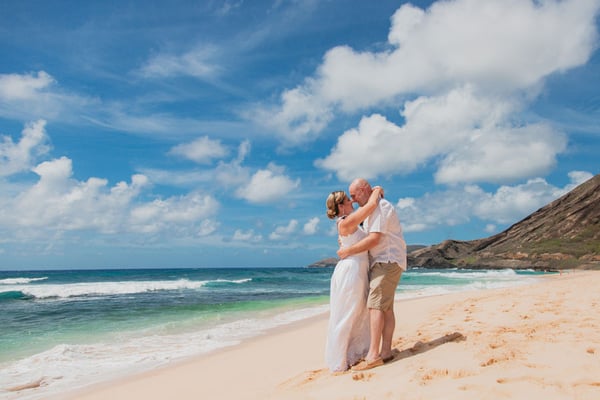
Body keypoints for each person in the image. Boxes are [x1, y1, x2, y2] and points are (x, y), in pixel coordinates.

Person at [337, 178, 407, 371]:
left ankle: (374, 355)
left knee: (375, 305)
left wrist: (347, 251)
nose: (352, 200)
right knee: (385, 308)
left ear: (364, 189)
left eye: (354, 195)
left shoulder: (380, 207)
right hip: (383, 261)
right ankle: (385, 351)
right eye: (349, 197)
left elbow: (375, 239)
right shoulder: (370, 208)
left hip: (387, 260)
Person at [325, 186, 384, 372]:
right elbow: (372, 205)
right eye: (348, 200)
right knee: (347, 314)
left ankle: (354, 353)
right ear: (341, 206)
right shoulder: (345, 222)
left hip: (357, 269)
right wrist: (377, 190)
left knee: (358, 312)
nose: (352, 201)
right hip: (350, 271)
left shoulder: (347, 222)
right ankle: (339, 361)